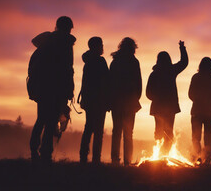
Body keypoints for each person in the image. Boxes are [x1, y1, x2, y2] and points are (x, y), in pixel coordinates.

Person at [29, 16, 76, 164]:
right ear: (69, 28)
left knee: (41, 119)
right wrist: (70, 90)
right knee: (51, 121)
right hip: (58, 88)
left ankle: (34, 151)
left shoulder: (47, 41)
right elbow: (68, 69)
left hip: (43, 87)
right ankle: (46, 153)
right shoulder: (66, 43)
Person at [146, 41, 188, 155]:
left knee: (159, 132)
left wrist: (156, 98)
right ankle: (163, 155)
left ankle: (160, 156)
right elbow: (184, 62)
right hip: (170, 107)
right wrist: (182, 48)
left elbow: (148, 93)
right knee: (168, 132)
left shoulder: (154, 74)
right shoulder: (171, 71)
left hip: (158, 107)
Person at [109, 37, 142, 166]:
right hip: (129, 102)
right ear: (133, 48)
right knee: (128, 132)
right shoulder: (134, 62)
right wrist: (136, 98)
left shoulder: (115, 62)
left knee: (117, 130)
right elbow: (138, 83)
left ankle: (115, 159)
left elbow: (110, 82)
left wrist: (111, 99)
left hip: (117, 101)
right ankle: (127, 161)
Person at [78, 37, 109, 164]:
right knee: (98, 131)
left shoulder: (87, 62)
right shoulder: (100, 62)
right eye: (101, 44)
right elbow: (107, 81)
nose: (103, 47)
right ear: (97, 46)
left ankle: (83, 156)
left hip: (89, 100)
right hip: (99, 100)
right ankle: (96, 158)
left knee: (88, 128)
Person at [188, 57, 211, 165]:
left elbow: (191, 94)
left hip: (197, 112)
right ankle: (206, 159)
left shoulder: (196, 77)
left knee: (195, 137)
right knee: (208, 137)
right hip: (210, 112)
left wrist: (198, 100)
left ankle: (197, 158)